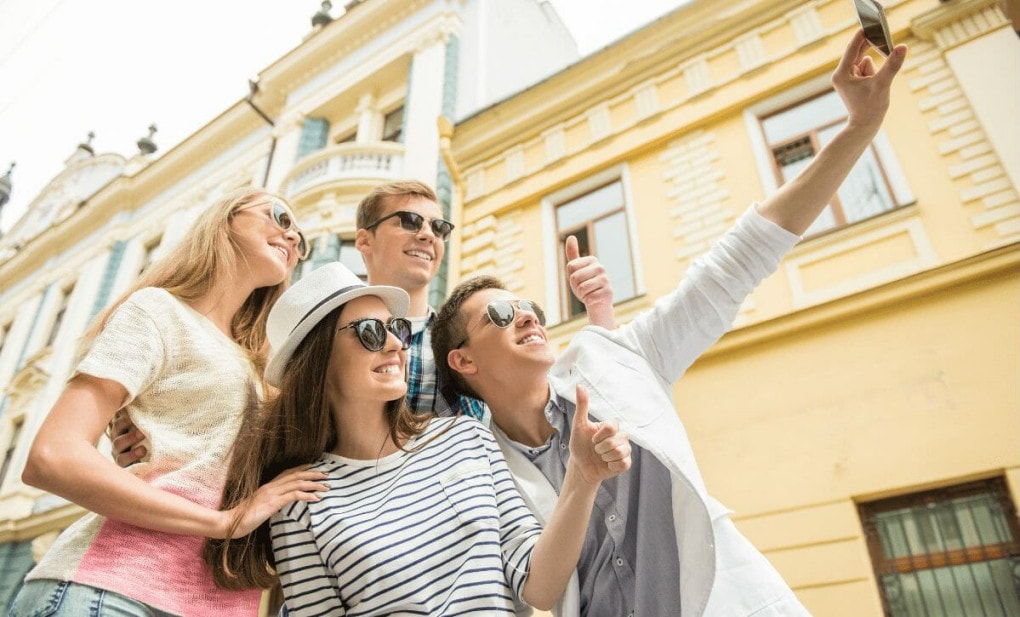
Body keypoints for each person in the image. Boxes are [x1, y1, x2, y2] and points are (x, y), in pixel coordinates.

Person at [431, 31, 906, 617]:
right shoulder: (482, 468)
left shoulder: (619, 361)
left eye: (528, 303)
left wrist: (859, 128)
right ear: (463, 360)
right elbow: (536, 590)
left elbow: (737, 261)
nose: (527, 314)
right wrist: (581, 476)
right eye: (501, 315)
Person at [203, 262, 632, 615]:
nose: (396, 344)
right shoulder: (298, 503)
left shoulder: (466, 439)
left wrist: (583, 477)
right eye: (370, 332)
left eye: (398, 329)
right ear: (318, 360)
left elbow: (539, 587)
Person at [12, 188, 330, 617]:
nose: (293, 238)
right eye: (280, 217)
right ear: (226, 219)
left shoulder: (260, 368)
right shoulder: (157, 310)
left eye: (302, 240)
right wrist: (223, 522)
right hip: (113, 588)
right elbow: (52, 457)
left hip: (216, 604)